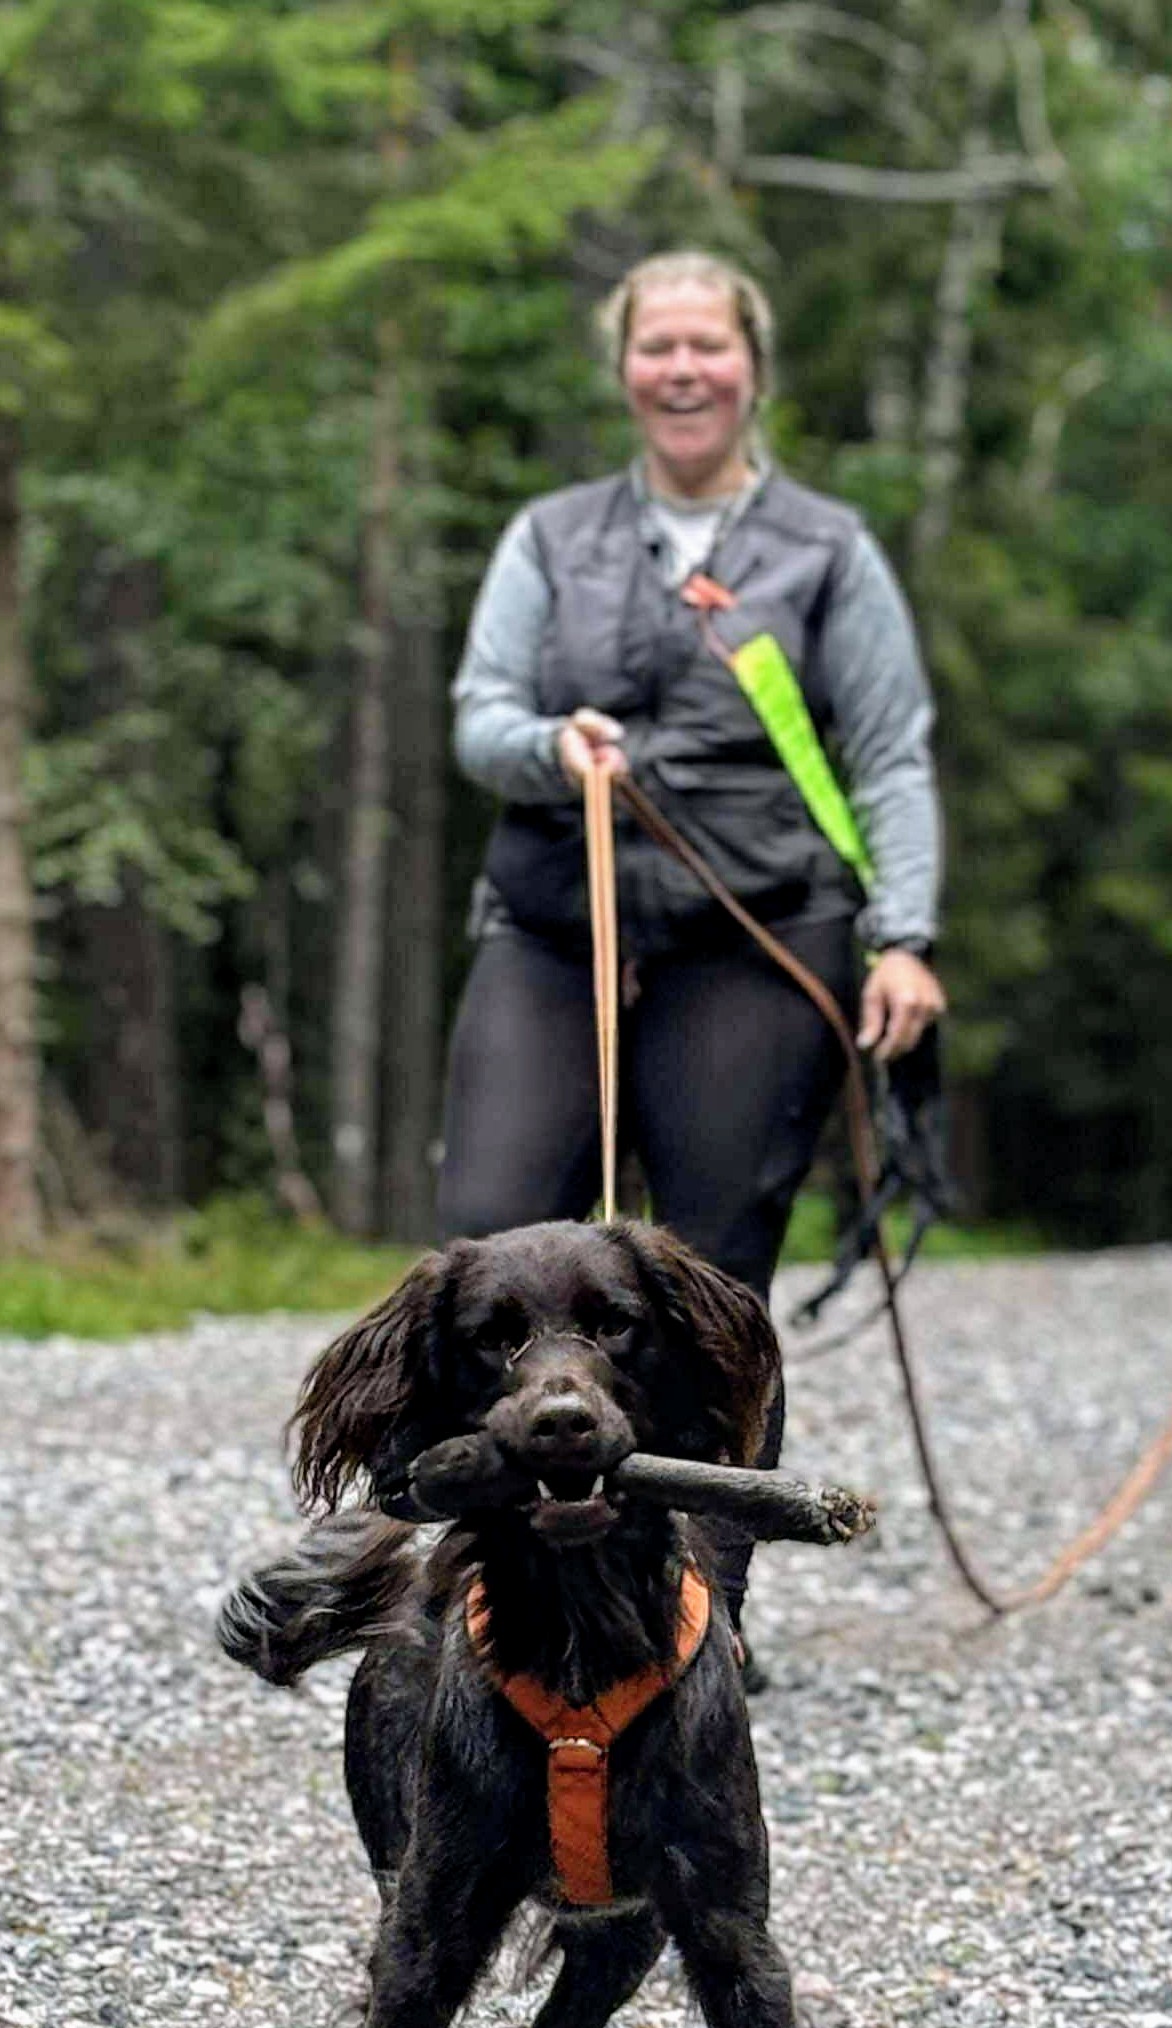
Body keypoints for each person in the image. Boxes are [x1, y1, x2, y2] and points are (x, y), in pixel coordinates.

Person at [440, 247, 946, 1619]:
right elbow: (477, 716)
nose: (680, 368)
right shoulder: (548, 537)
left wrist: (903, 934)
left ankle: (698, 1609)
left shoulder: (829, 551)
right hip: (558, 917)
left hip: (759, 930)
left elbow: (889, 753)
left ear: (751, 368)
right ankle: (491, 1600)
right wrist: (553, 742)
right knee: (485, 1237)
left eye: (705, 345)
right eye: (654, 345)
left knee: (710, 1276)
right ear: (622, 371)